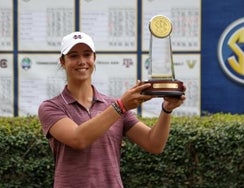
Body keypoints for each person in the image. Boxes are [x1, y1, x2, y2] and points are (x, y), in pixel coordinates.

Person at [38, 31, 185, 188]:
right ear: (62, 61)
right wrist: (121, 106)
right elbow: (78, 139)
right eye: (73, 56)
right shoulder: (51, 107)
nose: (81, 61)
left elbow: (153, 144)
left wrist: (166, 110)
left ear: (94, 58)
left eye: (87, 54)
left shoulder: (113, 106)